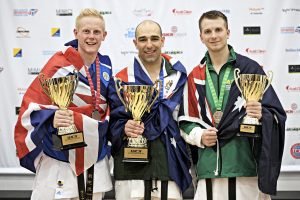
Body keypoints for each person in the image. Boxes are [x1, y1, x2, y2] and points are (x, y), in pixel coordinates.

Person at [178, 10, 286, 200]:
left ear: (228, 32)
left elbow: (276, 114)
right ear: (201, 36)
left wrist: (262, 114)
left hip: (246, 168)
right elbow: (185, 121)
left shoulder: (249, 69)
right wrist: (200, 136)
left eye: (218, 29)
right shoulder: (195, 76)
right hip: (209, 168)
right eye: (208, 31)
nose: (214, 36)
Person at [14, 8, 112, 200]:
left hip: (94, 157)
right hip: (59, 159)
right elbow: (31, 107)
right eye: (86, 31)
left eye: (96, 32)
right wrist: (51, 117)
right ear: (76, 33)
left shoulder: (106, 66)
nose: (91, 37)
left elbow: (109, 108)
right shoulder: (58, 64)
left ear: (104, 36)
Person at [107, 20, 192, 200]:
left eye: (154, 39)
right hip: (131, 171)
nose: (149, 45)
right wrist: (124, 128)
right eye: (143, 39)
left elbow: (187, 120)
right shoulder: (121, 80)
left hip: (169, 167)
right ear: (135, 43)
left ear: (162, 40)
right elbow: (110, 123)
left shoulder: (179, 78)